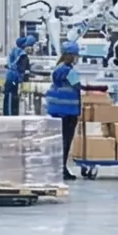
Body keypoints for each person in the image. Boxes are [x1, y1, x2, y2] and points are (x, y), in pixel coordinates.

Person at [46, 44, 84, 177]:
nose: (77, 59)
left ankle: (56, 167)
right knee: (66, 142)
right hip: (68, 111)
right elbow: (78, 86)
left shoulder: (58, 68)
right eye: (76, 56)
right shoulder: (70, 71)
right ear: (71, 56)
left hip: (56, 110)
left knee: (58, 141)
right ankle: (62, 169)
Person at [2, 43, 30, 116]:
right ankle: (11, 115)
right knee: (11, 98)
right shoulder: (23, 56)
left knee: (10, 97)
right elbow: (23, 69)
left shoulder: (14, 53)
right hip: (14, 80)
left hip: (11, 80)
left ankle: (10, 114)